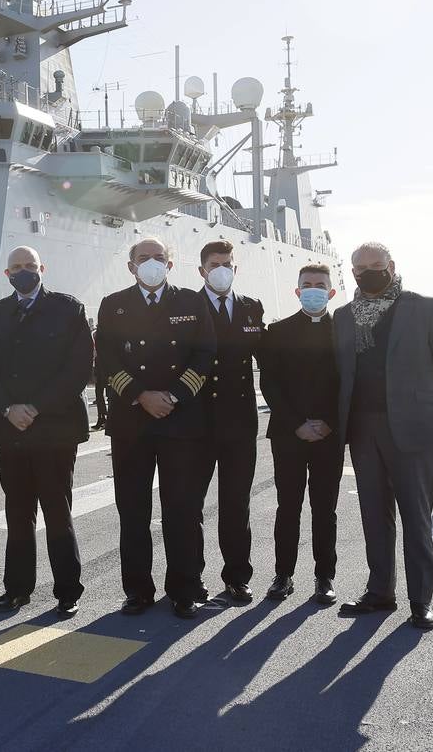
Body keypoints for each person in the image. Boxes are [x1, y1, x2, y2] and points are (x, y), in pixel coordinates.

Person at [334, 242, 433, 630]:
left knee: (416, 516)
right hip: (361, 427)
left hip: (412, 428)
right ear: (352, 272)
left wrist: (426, 405)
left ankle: (421, 599)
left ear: (392, 265)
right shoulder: (343, 315)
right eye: (360, 268)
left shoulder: (424, 306)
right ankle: (380, 591)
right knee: (374, 514)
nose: (368, 272)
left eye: (376, 265)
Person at [0, 245, 92, 618]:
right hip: (10, 429)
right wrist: (8, 407)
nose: (23, 272)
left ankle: (67, 590)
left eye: (30, 266)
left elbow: (78, 367)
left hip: (54, 428)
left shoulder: (69, 309)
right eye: (16, 267)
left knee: (57, 509)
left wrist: (36, 407)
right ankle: (17, 589)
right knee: (18, 512)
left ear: (42, 268)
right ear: (7, 275)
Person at [96, 238, 216, 618]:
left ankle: (185, 588)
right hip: (131, 422)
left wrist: (175, 395)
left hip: (180, 420)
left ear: (171, 263)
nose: (152, 263)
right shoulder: (113, 305)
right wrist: (139, 395)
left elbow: (205, 353)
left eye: (159, 258)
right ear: (131, 266)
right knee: (133, 510)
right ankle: (137, 590)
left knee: (181, 509)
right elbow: (107, 360)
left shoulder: (191, 302)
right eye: (143, 258)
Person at [259, 264, 343, 605]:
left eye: (319, 285)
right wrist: (297, 423)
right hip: (288, 433)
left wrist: (330, 423)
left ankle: (325, 577)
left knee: (325, 508)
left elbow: (351, 383)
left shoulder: (344, 332)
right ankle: (284, 574)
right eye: (306, 285)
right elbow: (270, 384)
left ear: (331, 292)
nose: (313, 289)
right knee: (288, 505)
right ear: (296, 291)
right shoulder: (277, 332)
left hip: (329, 434)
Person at [196, 239, 265, 604]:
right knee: (190, 505)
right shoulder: (187, 307)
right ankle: (190, 578)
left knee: (236, 504)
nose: (221, 269)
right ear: (202, 270)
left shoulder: (252, 308)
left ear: (235, 268)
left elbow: (268, 361)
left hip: (240, 423)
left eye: (227, 263)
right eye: (214, 263)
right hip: (196, 423)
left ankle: (237, 576)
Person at [90, 319, 108, 432]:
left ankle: (103, 418)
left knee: (102, 395)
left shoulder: (97, 333)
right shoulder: (98, 333)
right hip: (102, 367)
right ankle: (103, 418)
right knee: (101, 395)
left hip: (104, 367)